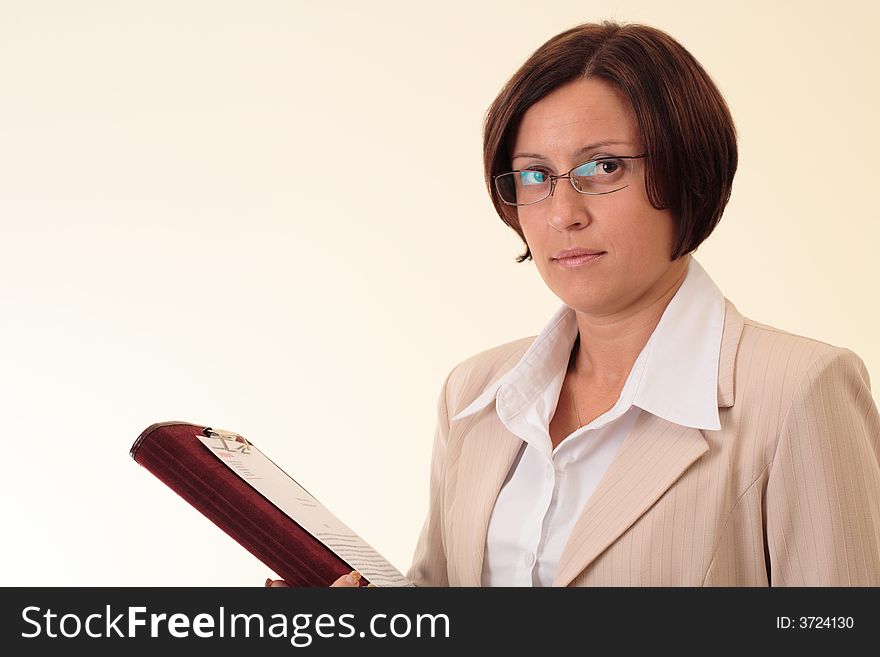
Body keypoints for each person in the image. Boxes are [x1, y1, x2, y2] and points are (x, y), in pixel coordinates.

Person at [270, 20, 880, 588]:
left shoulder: (800, 389)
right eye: (535, 175)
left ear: (687, 170)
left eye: (603, 166)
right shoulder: (476, 394)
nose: (564, 213)